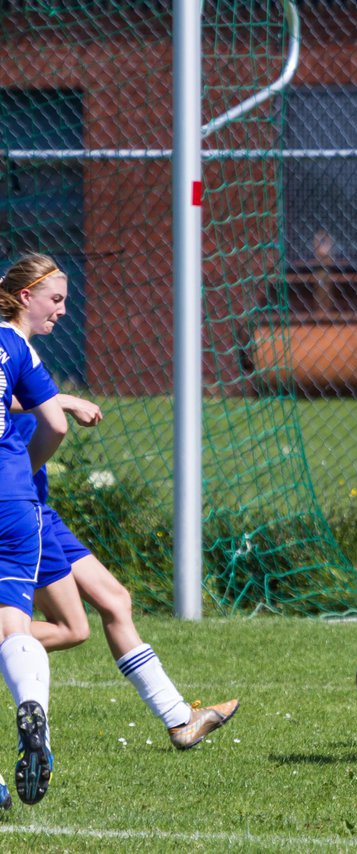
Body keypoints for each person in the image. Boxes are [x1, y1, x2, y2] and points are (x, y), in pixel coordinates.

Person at [12, 392, 239, 750]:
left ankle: (180, 720)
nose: (55, 329)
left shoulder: (22, 349)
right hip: (17, 511)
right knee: (72, 629)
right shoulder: (8, 342)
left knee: (115, 600)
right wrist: (63, 401)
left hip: (39, 507)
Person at [0, 253, 69, 807]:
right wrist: (27, 469)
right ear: (26, 297)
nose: (63, 312)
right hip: (15, 501)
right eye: (56, 299)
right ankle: (34, 710)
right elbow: (56, 423)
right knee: (14, 625)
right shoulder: (17, 347)